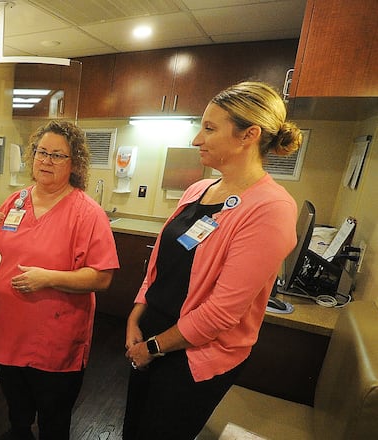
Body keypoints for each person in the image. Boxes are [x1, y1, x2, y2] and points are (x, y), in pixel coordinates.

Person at [122, 81, 303, 439]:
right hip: (150, 336)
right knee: (133, 429)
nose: (196, 140)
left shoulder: (271, 208)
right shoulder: (198, 189)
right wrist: (135, 316)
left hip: (190, 355)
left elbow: (221, 313)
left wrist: (153, 348)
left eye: (209, 128)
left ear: (248, 135)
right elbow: (160, 266)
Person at [0, 120, 119, 440]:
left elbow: (102, 277)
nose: (46, 161)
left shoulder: (87, 213)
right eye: (41, 152)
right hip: (7, 331)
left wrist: (48, 279)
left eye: (57, 155)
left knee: (53, 418)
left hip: (53, 341)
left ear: (74, 163)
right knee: (17, 411)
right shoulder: (15, 202)